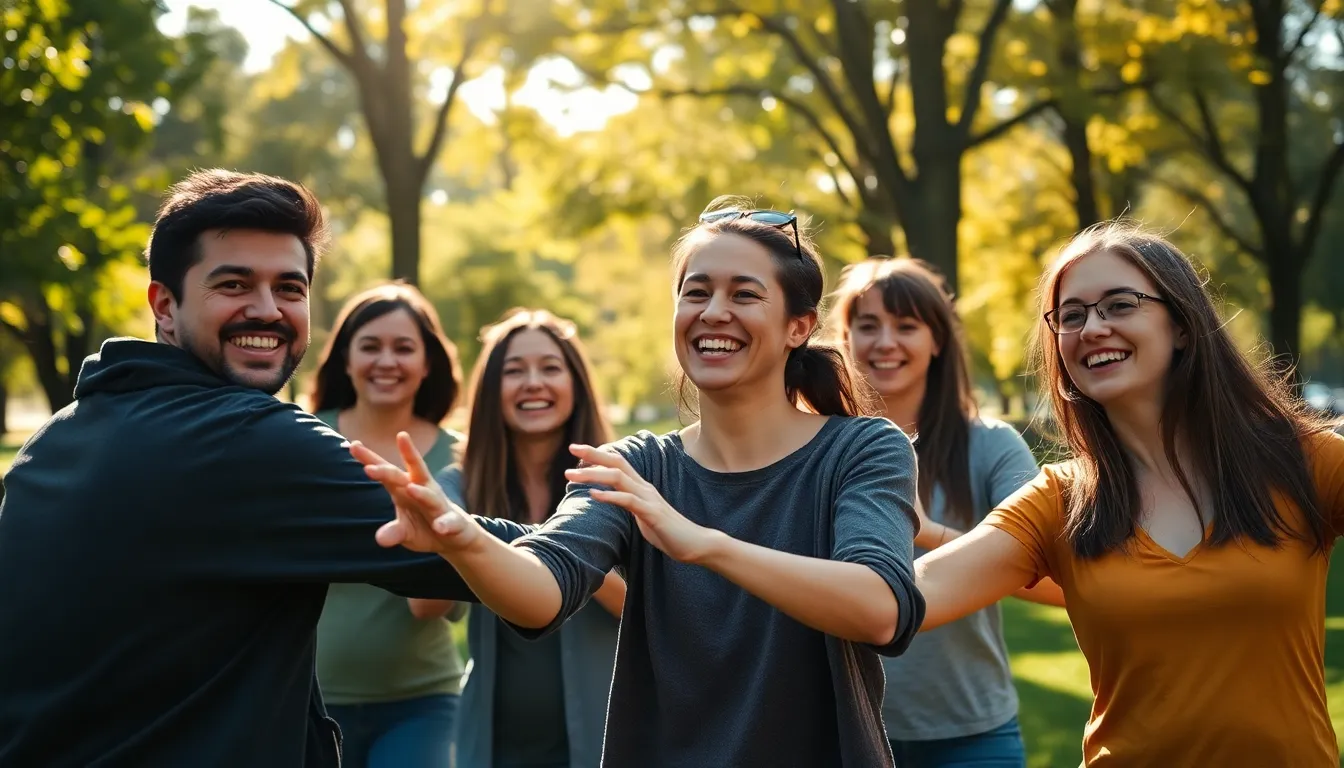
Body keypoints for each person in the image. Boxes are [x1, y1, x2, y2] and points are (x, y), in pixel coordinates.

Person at [351, 198, 927, 767]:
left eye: (744, 294)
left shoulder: (863, 449)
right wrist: (463, 539)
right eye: (696, 292)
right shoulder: (636, 466)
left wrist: (704, 544)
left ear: (797, 327)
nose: (714, 312)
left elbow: (879, 607)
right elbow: (544, 591)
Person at [0, 170, 529, 768]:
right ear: (164, 305)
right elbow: (474, 556)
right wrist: (607, 522)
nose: (266, 310)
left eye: (290, 288)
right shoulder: (245, 438)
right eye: (233, 284)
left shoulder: (53, 440)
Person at [914, 222, 1344, 766]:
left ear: (1182, 325)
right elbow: (902, 599)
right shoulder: (1061, 498)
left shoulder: (1302, 461)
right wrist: (775, 549)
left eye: (1119, 305)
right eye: (1072, 316)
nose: (1092, 328)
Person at [830, 258, 1063, 767]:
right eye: (867, 326)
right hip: (843, 733)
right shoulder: (814, 448)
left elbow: (1061, 583)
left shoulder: (992, 446)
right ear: (842, 339)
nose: (884, 342)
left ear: (937, 341)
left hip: (972, 736)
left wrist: (929, 530)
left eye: (906, 326)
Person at [438, 308, 624, 768]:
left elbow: (638, 603)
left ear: (576, 385)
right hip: (494, 744)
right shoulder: (458, 487)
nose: (533, 383)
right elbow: (428, 607)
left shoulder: (618, 479)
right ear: (490, 393)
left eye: (550, 368)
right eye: (514, 371)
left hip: (601, 739)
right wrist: (439, 530)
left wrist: (563, 551)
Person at [308, 283, 469, 768]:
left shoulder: (461, 456)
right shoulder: (302, 439)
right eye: (371, 346)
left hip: (422, 702)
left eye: (404, 348)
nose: (387, 361)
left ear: (427, 364)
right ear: (345, 360)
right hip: (306, 698)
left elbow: (439, 602)